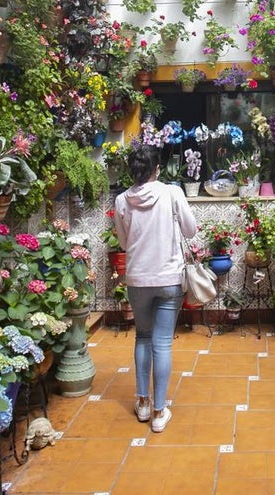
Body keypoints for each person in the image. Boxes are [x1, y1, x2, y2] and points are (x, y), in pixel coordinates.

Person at [113, 145, 199, 433]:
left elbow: (123, 243)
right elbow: (191, 230)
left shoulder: (122, 200)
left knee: (143, 337)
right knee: (162, 343)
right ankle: (160, 412)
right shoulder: (172, 193)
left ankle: (143, 403)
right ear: (156, 169)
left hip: (138, 280)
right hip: (168, 279)